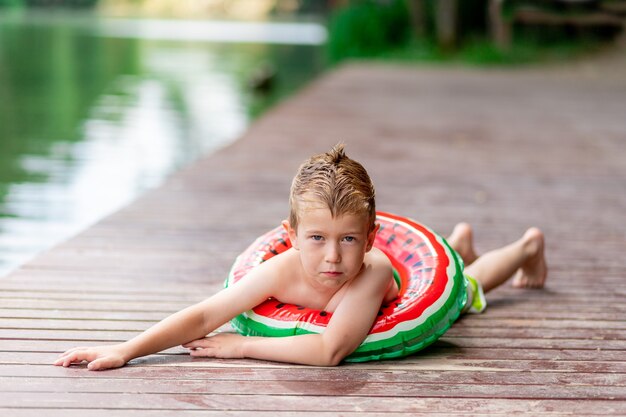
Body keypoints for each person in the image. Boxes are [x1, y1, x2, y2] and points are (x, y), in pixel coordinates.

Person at [54, 144, 547, 371]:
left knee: (468, 289)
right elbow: (207, 313)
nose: (332, 258)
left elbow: (330, 352)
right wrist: (125, 349)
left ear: (372, 238)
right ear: (289, 235)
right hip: (346, 264)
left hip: (409, 291)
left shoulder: (370, 273)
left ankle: (525, 247)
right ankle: (458, 239)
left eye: (349, 240)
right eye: (316, 239)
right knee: (459, 258)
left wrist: (242, 346)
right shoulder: (282, 268)